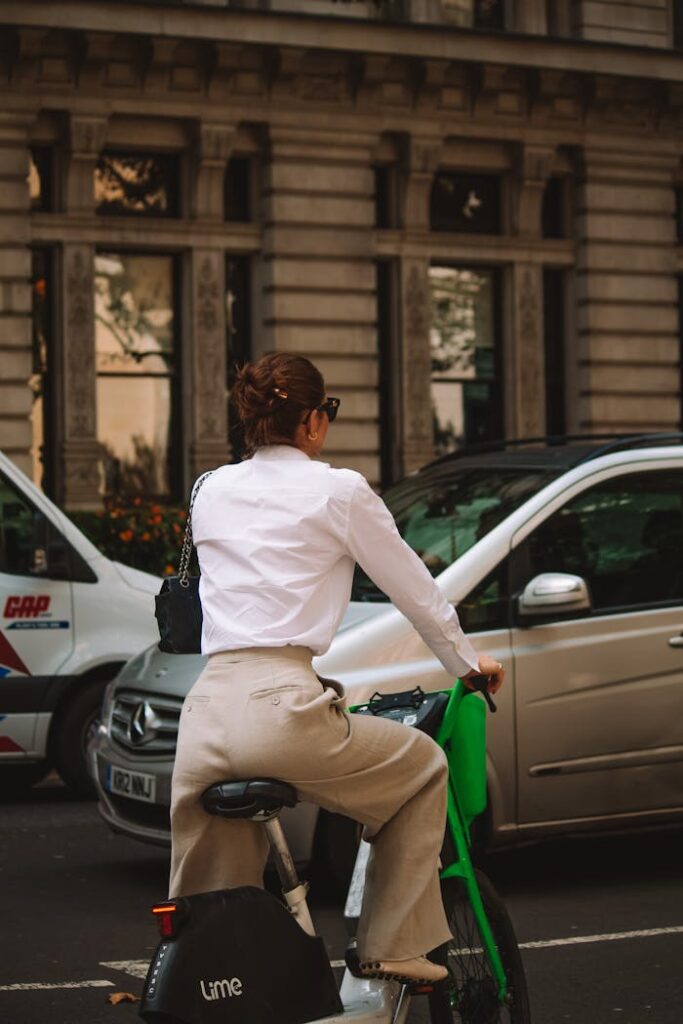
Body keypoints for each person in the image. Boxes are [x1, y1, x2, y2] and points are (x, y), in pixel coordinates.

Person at [169, 352, 504, 985]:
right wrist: (467, 666)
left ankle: (210, 985)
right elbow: (417, 593)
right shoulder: (339, 491)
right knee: (422, 768)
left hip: (204, 716)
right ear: (314, 423)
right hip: (283, 709)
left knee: (208, 909)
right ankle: (392, 944)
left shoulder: (208, 489)